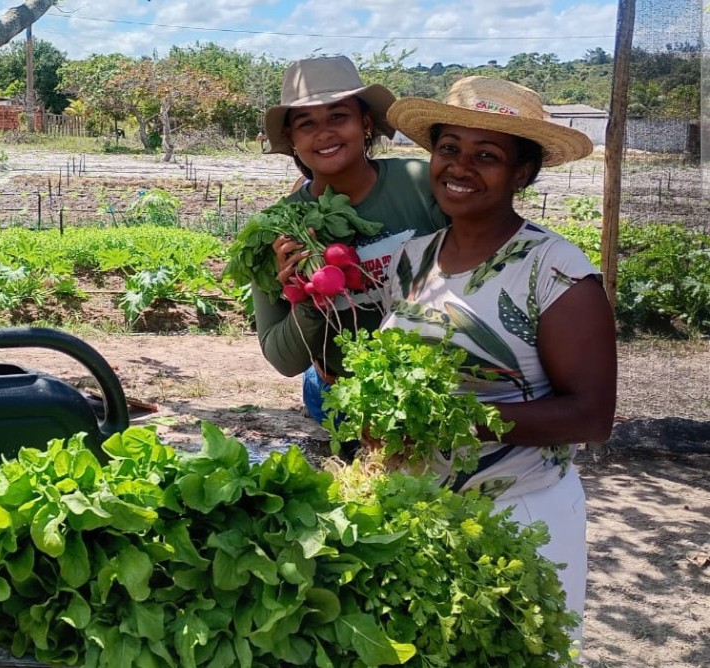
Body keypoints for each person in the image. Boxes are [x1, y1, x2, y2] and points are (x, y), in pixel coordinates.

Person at [383, 76, 617, 646]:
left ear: (522, 174)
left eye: (486, 155)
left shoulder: (553, 268)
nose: (460, 166)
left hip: (520, 516)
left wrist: (454, 419)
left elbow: (591, 415)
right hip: (419, 514)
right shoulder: (412, 262)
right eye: (449, 148)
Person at [253, 56, 448, 422]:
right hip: (342, 394)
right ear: (292, 140)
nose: (324, 132)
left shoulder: (422, 185)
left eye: (338, 116)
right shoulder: (277, 230)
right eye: (306, 123)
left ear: (366, 123)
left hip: (436, 385)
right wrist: (305, 297)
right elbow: (283, 360)